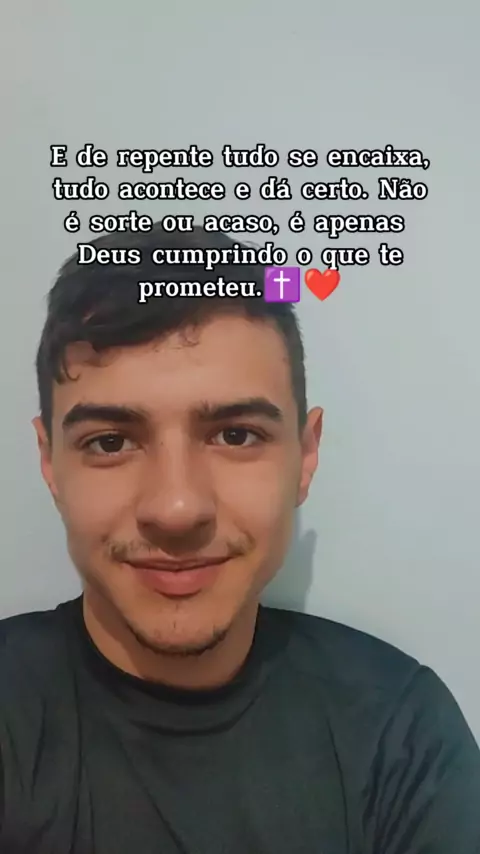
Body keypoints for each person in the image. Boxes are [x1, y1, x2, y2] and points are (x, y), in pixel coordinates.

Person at [0, 223, 479, 854]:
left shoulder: (400, 730)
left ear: (305, 456)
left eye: (236, 435)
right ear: (49, 461)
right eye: (110, 442)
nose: (177, 508)